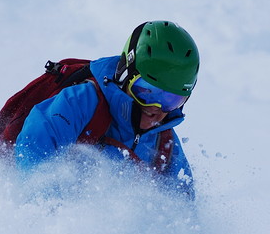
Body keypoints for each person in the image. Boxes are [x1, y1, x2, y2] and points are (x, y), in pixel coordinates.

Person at [14, 20, 199, 199]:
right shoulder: (82, 101)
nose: (156, 108)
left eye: (171, 99)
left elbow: (184, 213)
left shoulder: (164, 145)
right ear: (126, 73)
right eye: (146, 91)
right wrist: (49, 215)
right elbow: (34, 149)